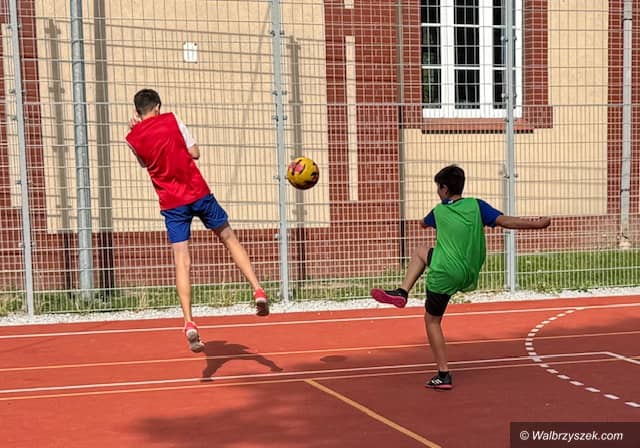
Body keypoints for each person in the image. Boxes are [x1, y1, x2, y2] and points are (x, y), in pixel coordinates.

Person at [371, 164, 551, 390]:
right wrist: (537, 224)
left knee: (432, 320)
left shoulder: (438, 211)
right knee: (425, 253)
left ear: (444, 189)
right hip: (468, 273)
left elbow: (422, 223)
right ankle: (402, 293)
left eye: (438, 188)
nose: (437, 192)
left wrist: (428, 222)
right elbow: (506, 221)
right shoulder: (477, 206)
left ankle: (443, 373)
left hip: (444, 273)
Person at [125, 89, 269, 353]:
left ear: (137, 112)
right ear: (157, 106)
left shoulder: (132, 138)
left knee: (182, 261)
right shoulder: (172, 120)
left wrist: (137, 130)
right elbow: (195, 152)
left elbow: (144, 164)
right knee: (228, 238)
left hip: (172, 203)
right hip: (198, 192)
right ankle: (257, 289)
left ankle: (189, 322)